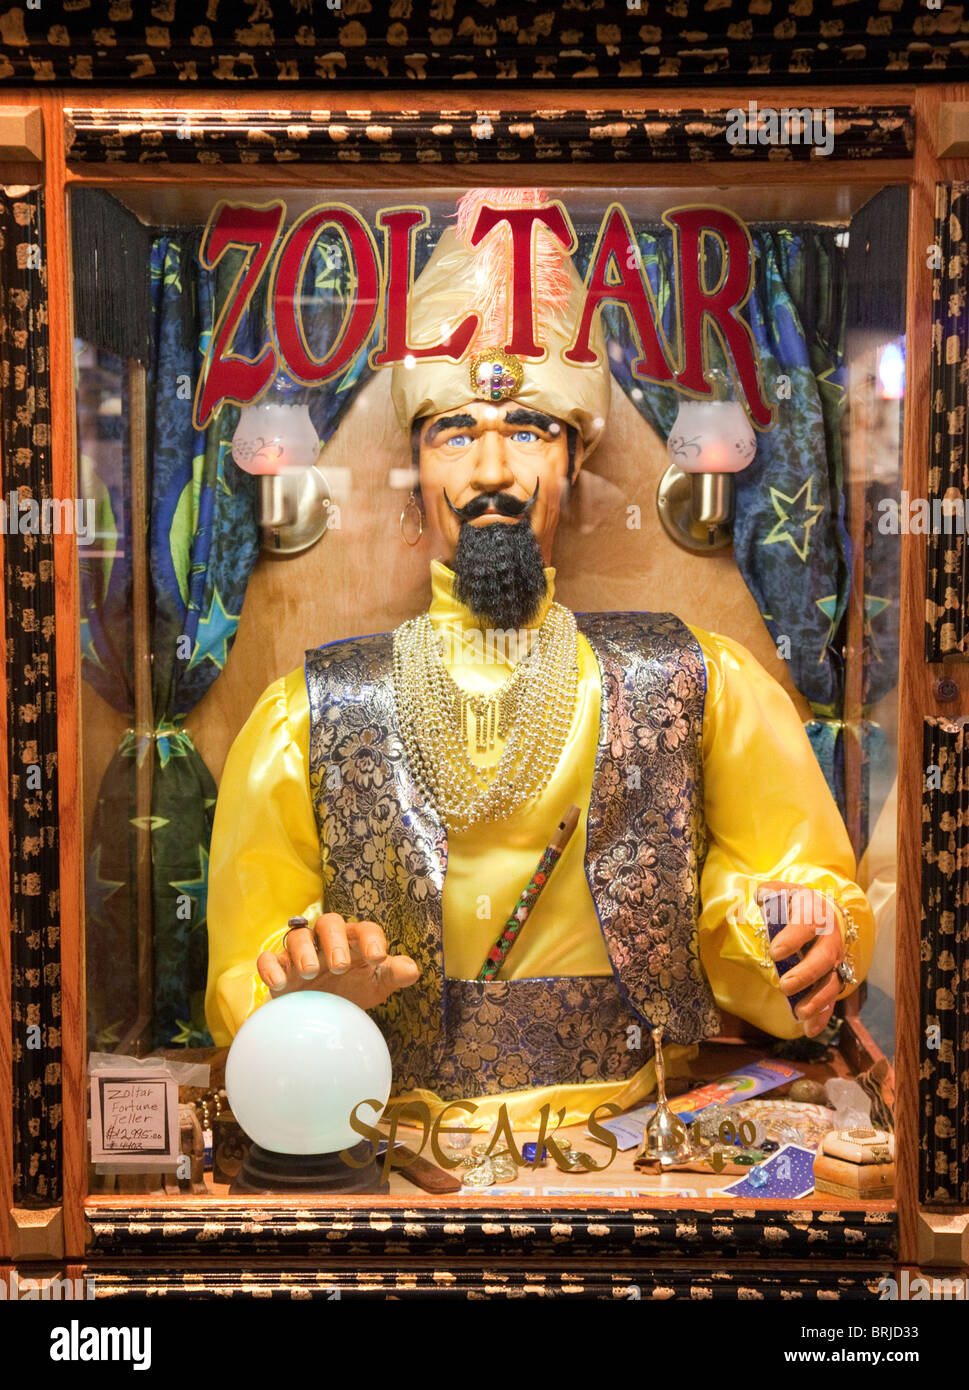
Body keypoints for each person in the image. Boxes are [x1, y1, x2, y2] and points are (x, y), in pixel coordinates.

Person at [205, 188, 874, 1130]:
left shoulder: (692, 680)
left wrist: (792, 936)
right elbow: (242, 970)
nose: (490, 474)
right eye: (454, 434)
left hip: (633, 1132)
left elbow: (795, 893)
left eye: (525, 432)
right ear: (416, 467)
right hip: (386, 1138)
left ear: (573, 463)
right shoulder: (312, 711)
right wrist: (297, 978)